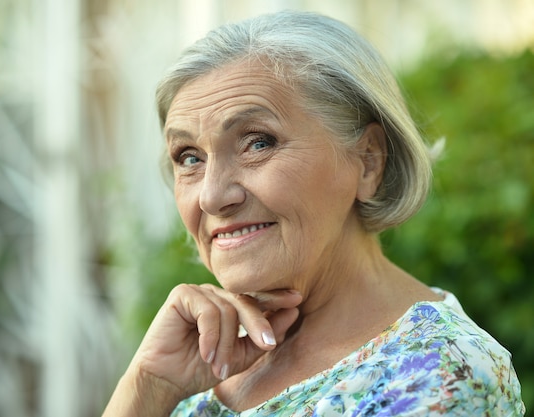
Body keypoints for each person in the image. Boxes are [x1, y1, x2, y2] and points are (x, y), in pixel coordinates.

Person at [103, 10, 525, 416]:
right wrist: (147, 388)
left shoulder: (439, 372)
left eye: (258, 142)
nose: (212, 197)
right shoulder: (200, 362)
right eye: (189, 157)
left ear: (368, 160)